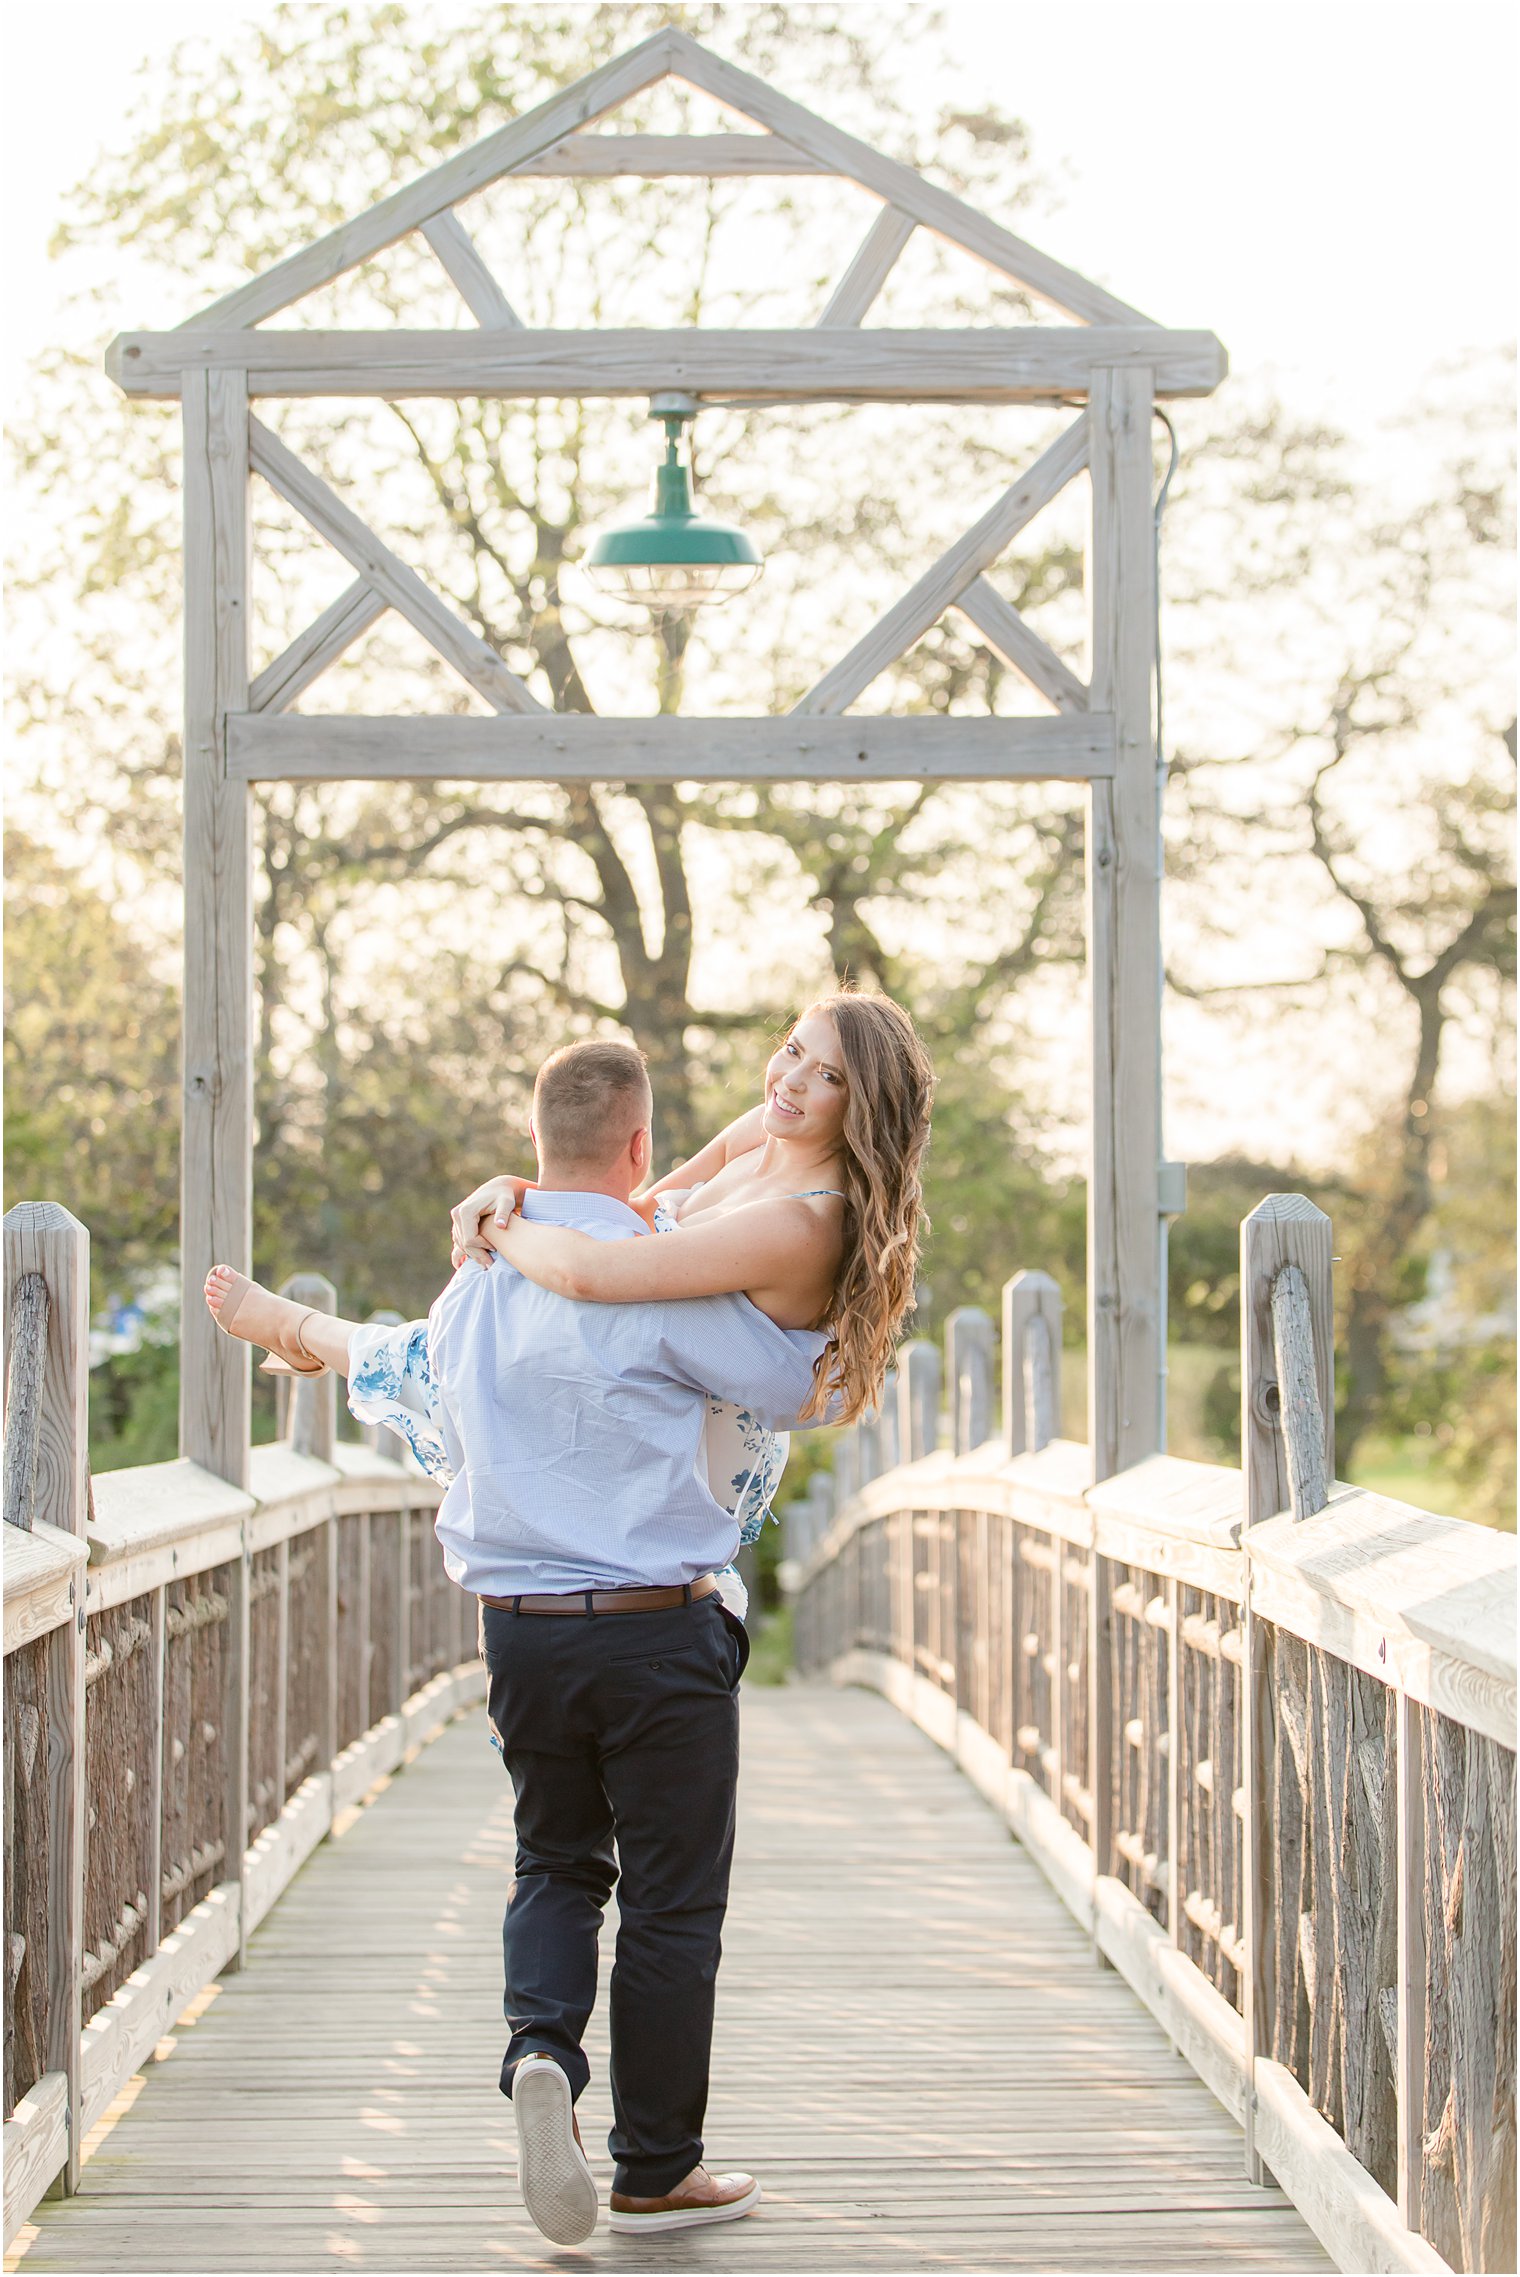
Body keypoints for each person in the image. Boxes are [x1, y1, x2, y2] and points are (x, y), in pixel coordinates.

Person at [203, 994, 933, 2244]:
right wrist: (812, 1367)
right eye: (793, 1053)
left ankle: (541, 2049)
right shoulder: (698, 1283)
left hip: (522, 1629)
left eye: (818, 1070)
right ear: (640, 1145)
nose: (788, 1077)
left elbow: (427, 1355)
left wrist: (346, 1302)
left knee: (554, 1861)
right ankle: (654, 2171)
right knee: (668, 1903)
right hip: (656, 1628)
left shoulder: (505, 1284)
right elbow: (780, 1380)